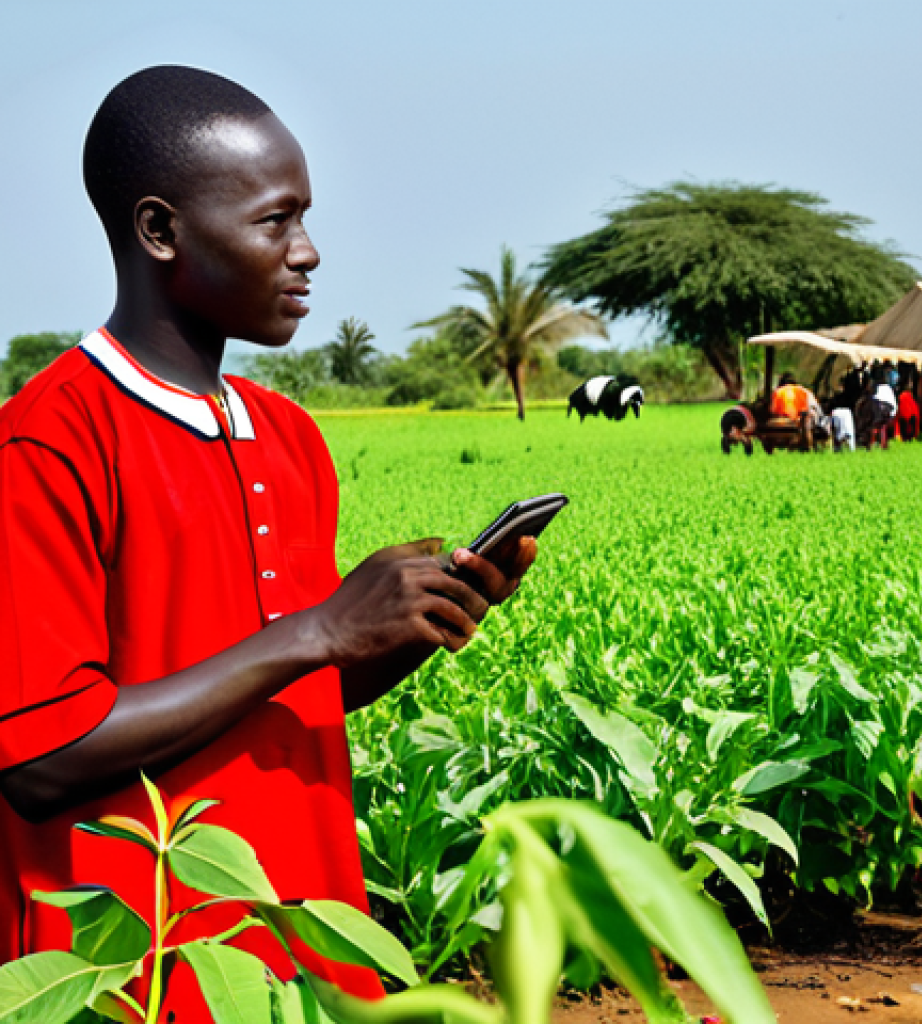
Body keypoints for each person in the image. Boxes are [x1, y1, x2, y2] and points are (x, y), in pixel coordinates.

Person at [0, 67, 534, 1020]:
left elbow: (281, 691)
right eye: (274, 221)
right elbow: (41, 757)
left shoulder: (289, 438)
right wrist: (317, 631)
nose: (309, 252)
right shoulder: (50, 441)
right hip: (133, 974)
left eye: (306, 218)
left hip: (304, 949)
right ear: (160, 232)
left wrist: (406, 626)